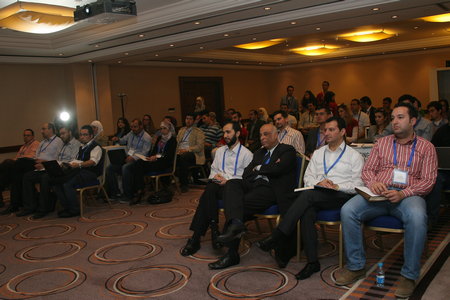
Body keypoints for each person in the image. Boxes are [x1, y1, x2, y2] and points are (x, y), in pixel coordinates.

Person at [335, 102, 437, 298]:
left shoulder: (426, 147)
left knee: (417, 217)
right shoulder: (382, 143)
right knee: (348, 210)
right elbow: (368, 170)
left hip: (409, 195)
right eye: (393, 118)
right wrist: (374, 183)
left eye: (400, 117)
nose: (395, 122)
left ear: (413, 121)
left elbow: (428, 181)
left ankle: (409, 275)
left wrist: (403, 193)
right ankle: (356, 266)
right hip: (378, 194)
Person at [257, 117, 364, 279]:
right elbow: (308, 178)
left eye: (331, 130)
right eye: (325, 130)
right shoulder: (319, 153)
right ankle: (313, 262)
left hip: (341, 196)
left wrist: (336, 186)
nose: (326, 133)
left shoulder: (354, 155)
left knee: (307, 197)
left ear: (342, 132)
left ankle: (278, 234)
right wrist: (319, 182)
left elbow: (357, 185)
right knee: (307, 211)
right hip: (317, 194)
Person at [209, 124, 297, 270]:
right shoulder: (259, 153)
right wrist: (265, 169)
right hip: (254, 185)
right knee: (232, 184)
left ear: (276, 135)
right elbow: (246, 174)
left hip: (272, 190)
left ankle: (232, 252)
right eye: (261, 135)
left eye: (266, 134)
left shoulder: (287, 150)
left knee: (237, 205)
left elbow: (279, 169)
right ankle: (236, 224)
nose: (262, 138)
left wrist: (259, 168)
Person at [181, 122, 253, 256]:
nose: (225, 135)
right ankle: (213, 230)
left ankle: (198, 237)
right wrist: (217, 177)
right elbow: (213, 171)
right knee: (210, 188)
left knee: (208, 192)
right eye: (224, 132)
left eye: (228, 132)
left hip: (233, 190)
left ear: (237, 134)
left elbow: (247, 180)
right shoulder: (219, 151)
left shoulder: (247, 154)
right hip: (217, 186)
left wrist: (228, 181)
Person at [1, 123, 63, 215]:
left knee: (15, 166)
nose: (41, 131)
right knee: (24, 176)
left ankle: (41, 209)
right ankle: (29, 207)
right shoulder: (42, 142)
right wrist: (38, 162)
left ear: (51, 129)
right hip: (37, 165)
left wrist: (44, 163)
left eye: (43, 129)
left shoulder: (58, 141)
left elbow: (59, 157)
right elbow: (36, 156)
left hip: (49, 166)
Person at [19, 126, 81, 218]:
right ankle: (30, 206)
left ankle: (44, 209)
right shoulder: (62, 144)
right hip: (56, 167)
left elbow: (72, 161)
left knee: (46, 178)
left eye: (64, 133)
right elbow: (56, 158)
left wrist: (50, 165)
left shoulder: (76, 144)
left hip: (67, 169)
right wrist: (48, 165)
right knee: (28, 176)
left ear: (70, 133)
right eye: (61, 134)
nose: (62, 136)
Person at [53, 125, 104, 218]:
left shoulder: (96, 147)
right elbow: (77, 159)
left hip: (91, 173)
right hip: (79, 171)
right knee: (58, 181)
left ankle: (74, 209)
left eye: (85, 135)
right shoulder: (82, 147)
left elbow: (93, 162)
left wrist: (79, 165)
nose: (82, 137)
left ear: (91, 136)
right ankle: (66, 207)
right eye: (81, 135)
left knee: (67, 184)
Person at [107, 119, 152, 203]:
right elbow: (123, 140)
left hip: (139, 161)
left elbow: (145, 153)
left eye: (135, 127)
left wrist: (133, 158)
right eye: (131, 127)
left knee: (125, 168)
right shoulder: (131, 133)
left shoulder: (146, 137)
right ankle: (115, 193)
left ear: (141, 126)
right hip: (127, 157)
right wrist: (117, 139)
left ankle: (128, 195)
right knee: (110, 167)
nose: (133, 129)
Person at [133, 121, 177, 204]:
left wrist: (156, 157)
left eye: (164, 128)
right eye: (161, 129)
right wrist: (150, 157)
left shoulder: (172, 140)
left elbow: (168, 156)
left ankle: (140, 190)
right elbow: (154, 151)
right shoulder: (160, 139)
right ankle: (140, 189)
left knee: (139, 166)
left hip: (165, 162)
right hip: (156, 161)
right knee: (138, 163)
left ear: (169, 129)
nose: (162, 130)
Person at [0, 129, 40, 208]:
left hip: (29, 165)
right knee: (5, 174)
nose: (25, 137)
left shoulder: (36, 144)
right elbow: (17, 158)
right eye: (24, 135)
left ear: (32, 136)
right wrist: (16, 159)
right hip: (19, 165)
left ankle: (13, 203)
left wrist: (17, 159)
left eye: (28, 135)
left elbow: (31, 157)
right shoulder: (23, 147)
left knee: (7, 163)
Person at [176, 113, 206, 193]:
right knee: (171, 156)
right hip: (180, 152)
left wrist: (187, 149)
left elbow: (199, 147)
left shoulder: (198, 132)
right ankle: (167, 181)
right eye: (187, 119)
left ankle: (184, 184)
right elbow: (177, 143)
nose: (188, 121)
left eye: (190, 119)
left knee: (184, 156)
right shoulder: (181, 130)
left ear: (193, 120)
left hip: (193, 154)